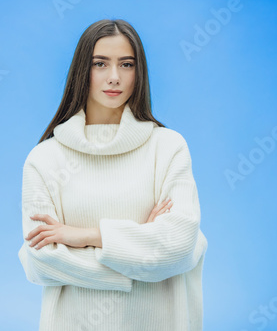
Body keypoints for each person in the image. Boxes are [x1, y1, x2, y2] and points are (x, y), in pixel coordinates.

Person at [18, 18, 208, 331]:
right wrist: (140, 245)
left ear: (139, 72)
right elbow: (40, 260)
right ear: (83, 70)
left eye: (127, 64)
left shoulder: (168, 147)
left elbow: (180, 245)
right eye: (100, 64)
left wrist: (87, 236)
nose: (114, 77)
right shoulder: (45, 159)